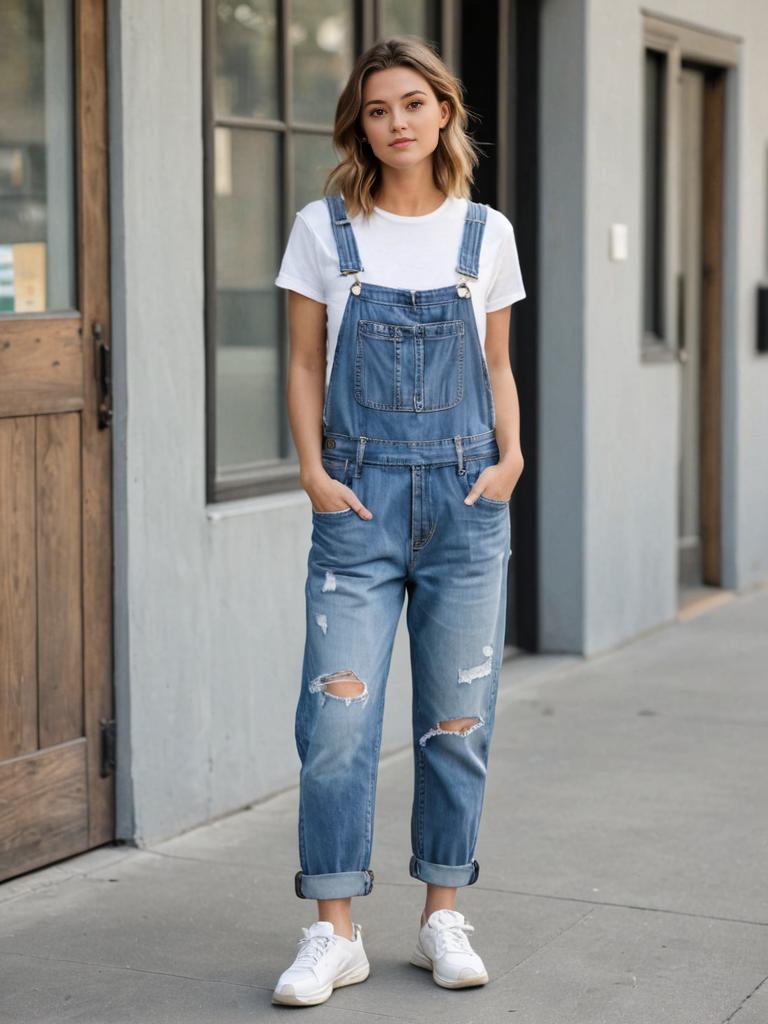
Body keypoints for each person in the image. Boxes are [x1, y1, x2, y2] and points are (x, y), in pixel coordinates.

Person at [271, 36, 526, 1007]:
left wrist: (511, 458)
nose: (398, 123)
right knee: (336, 722)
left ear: (445, 111)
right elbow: (302, 363)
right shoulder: (323, 229)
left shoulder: (485, 233)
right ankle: (333, 930)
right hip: (358, 503)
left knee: (454, 724)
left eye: (413, 103)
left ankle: (441, 913)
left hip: (467, 504)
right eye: (378, 109)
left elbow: (498, 363)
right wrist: (310, 473)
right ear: (360, 124)